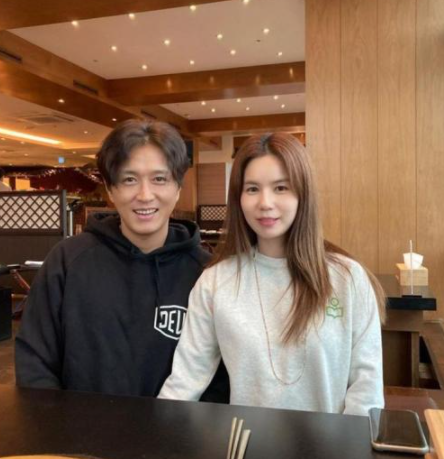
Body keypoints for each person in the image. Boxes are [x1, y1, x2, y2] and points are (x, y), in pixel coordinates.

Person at [159, 132, 386, 415]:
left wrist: (350, 441)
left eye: (281, 188)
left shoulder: (347, 278)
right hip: (247, 439)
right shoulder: (215, 282)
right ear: (239, 198)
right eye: (252, 189)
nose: (265, 202)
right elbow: (185, 380)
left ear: (303, 194)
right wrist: (153, 432)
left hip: (332, 440)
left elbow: (367, 393)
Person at [15, 119, 228, 400]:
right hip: (78, 427)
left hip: (176, 428)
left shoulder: (207, 274)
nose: (145, 195)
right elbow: (35, 361)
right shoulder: (68, 261)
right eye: (129, 179)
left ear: (178, 188)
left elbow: (219, 377)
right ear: (111, 189)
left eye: (159, 179)